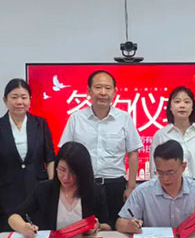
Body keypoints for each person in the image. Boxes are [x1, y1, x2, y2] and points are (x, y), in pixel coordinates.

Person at [59, 70, 142, 229]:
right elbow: (65, 154)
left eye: (107, 88)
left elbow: (133, 153)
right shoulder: (76, 118)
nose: (103, 92)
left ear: (114, 92)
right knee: (86, 230)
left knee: (116, 230)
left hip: (115, 186)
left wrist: (131, 187)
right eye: (98, 87)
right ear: (89, 91)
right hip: (83, 185)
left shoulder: (124, 118)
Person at [0, 78, 56, 232]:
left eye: (24, 97)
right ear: (5, 100)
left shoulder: (40, 124)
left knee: (41, 235)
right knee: (10, 236)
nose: (19, 102)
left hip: (38, 190)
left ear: (30, 100)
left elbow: (50, 159)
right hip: (8, 194)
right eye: (14, 97)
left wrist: (53, 189)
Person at [116, 140, 195, 233]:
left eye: (171, 172)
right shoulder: (142, 192)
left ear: (183, 167)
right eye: (160, 173)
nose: (165, 178)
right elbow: (119, 223)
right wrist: (130, 225)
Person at [8, 142, 111, 236]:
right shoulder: (44, 190)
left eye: (73, 172)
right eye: (62, 170)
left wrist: (98, 226)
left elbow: (108, 226)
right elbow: (13, 217)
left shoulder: (94, 191)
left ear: (82, 172)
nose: (66, 177)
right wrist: (23, 227)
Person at [150, 86, 195, 194]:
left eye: (186, 102)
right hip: (168, 194)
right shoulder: (161, 135)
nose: (182, 105)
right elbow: (154, 172)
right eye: (177, 101)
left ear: (192, 107)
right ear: (170, 107)